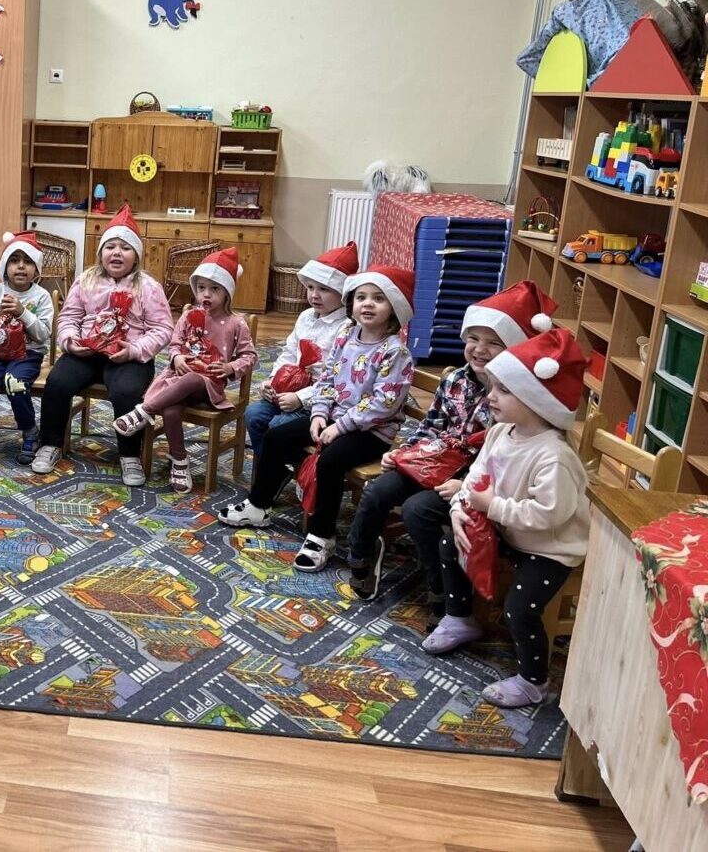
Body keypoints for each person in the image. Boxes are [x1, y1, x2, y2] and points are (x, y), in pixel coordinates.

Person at [344, 281, 556, 607]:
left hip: (476, 482)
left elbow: (507, 458)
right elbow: (431, 426)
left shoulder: (518, 399)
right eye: (473, 339)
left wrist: (464, 484)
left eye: (493, 343)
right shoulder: (455, 380)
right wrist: (405, 454)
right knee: (378, 491)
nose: (479, 349)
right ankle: (361, 555)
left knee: (417, 510)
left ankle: (441, 591)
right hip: (433, 463)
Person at [422, 328, 589, 709]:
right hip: (510, 532)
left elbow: (548, 515)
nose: (491, 396)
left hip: (551, 549)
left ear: (536, 401)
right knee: (451, 542)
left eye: (504, 390)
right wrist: (460, 509)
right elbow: (475, 481)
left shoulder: (554, 457)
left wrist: (491, 506)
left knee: (520, 609)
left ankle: (534, 682)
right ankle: (460, 617)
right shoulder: (499, 434)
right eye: (493, 387)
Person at [217, 266, 415, 572]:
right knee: (275, 436)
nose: (368, 304)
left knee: (330, 461)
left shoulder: (395, 352)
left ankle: (322, 535)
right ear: (352, 303)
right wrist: (320, 413)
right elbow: (327, 380)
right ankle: (259, 505)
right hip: (333, 418)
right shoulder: (346, 336)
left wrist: (340, 427)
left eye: (378, 299)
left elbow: (382, 405)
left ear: (394, 308)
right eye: (361, 297)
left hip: (371, 432)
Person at [31, 204, 174, 485]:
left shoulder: (148, 287)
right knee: (57, 382)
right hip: (86, 352)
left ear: (136, 256)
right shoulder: (86, 280)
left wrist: (134, 350)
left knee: (127, 392)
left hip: (129, 356)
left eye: (125, 248)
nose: (117, 253)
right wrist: (71, 342)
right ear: (100, 253)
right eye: (110, 247)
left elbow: (163, 329)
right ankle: (50, 443)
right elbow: (69, 317)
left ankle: (129, 455)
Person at [112, 247, 257, 492]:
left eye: (215, 289)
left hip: (208, 385)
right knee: (170, 411)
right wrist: (177, 357)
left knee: (193, 379)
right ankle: (180, 460)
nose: (206, 294)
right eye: (201, 288)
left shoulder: (236, 324)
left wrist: (230, 367)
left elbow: (249, 356)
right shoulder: (188, 316)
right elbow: (175, 344)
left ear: (228, 291)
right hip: (176, 382)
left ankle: (144, 411)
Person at [248, 242, 355, 452]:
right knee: (254, 415)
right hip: (288, 389)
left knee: (278, 426)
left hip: (320, 401)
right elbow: (289, 353)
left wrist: (300, 398)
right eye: (311, 287)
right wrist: (273, 381)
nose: (315, 295)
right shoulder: (306, 317)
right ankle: (269, 465)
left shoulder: (346, 328)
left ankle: (293, 463)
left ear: (343, 294)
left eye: (324, 289)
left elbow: (338, 379)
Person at [0, 231, 54, 465]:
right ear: (5, 267)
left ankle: (29, 430)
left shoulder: (41, 296)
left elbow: (43, 334)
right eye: (14, 260)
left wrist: (23, 313)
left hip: (27, 353)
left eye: (28, 261)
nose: (21, 266)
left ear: (36, 270)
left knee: (14, 383)